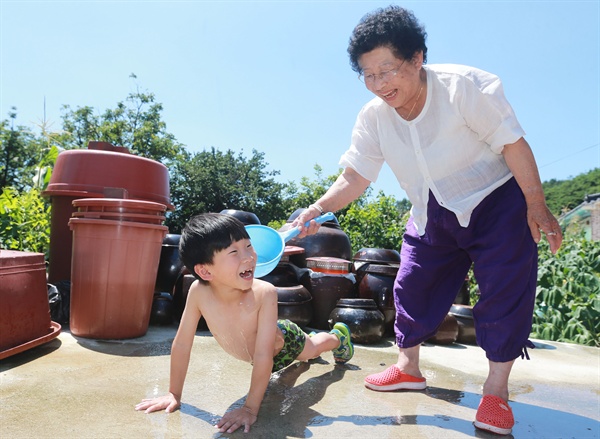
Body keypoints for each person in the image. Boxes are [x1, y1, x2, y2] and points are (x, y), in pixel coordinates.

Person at [293, 5, 562, 436]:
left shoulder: (465, 87)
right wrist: (315, 210)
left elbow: (513, 143)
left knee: (503, 291)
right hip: (432, 207)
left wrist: (535, 203)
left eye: (388, 69)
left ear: (417, 58)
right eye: (368, 74)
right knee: (411, 284)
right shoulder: (373, 117)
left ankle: (495, 391)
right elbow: (355, 176)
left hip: (497, 201)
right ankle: (407, 367)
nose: (380, 84)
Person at [135, 213, 354, 434]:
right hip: (258, 356)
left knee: (311, 350)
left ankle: (338, 337)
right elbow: (182, 344)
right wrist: (174, 393)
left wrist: (249, 409)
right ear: (205, 271)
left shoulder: (263, 293)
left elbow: (263, 356)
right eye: (234, 252)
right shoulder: (198, 292)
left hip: (283, 342)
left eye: (249, 246)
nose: (248, 257)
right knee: (295, 369)